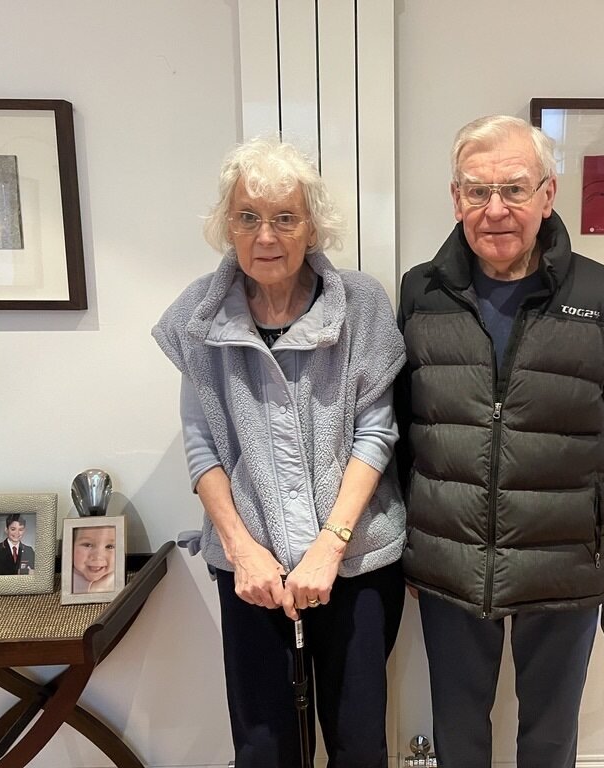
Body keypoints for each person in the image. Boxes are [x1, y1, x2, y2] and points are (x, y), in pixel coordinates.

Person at [395, 115, 604, 768]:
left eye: (513, 188)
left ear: (547, 194)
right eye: (477, 191)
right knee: (459, 740)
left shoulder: (598, 293)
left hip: (566, 560)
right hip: (451, 562)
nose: (495, 209)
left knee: (549, 742)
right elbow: (398, 426)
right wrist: (414, 543)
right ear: (456, 199)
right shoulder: (422, 292)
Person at [153, 135, 406, 768]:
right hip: (249, 571)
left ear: (312, 227)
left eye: (285, 218)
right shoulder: (199, 319)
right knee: (265, 746)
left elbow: (377, 432)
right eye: (248, 218)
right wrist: (243, 551)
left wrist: (329, 546)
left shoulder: (362, 306)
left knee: (359, 744)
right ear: (227, 226)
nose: (266, 236)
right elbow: (202, 443)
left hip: (356, 565)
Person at [71, 525, 117, 594]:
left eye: (110, 546)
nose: (98, 556)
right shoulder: (67, 579)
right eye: (87, 545)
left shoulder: (119, 580)